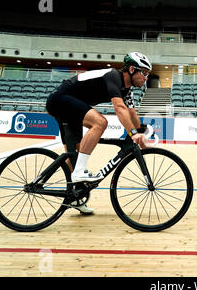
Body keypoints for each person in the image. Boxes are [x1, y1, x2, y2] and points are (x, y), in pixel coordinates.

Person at [46, 52, 152, 214]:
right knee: (100, 122)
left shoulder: (127, 91)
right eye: (144, 73)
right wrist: (133, 133)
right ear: (131, 69)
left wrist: (141, 132)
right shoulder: (113, 76)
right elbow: (119, 108)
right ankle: (80, 173)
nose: (146, 77)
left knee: (74, 154)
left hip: (70, 104)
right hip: (61, 99)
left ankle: (75, 196)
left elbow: (132, 113)